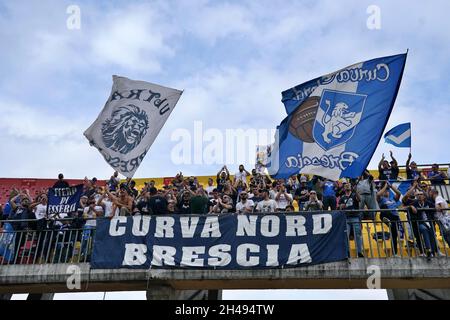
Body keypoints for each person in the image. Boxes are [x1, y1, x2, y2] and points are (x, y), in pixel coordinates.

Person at [410, 191, 439, 260]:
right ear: (416, 196)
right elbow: (404, 206)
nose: (419, 196)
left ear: (424, 196)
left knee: (432, 235)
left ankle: (432, 252)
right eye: (418, 194)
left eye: (421, 194)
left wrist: (437, 205)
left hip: (429, 222)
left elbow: (434, 206)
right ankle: (428, 250)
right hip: (420, 223)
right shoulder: (414, 203)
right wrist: (411, 206)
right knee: (424, 229)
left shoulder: (427, 203)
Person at [377, 181, 402, 256]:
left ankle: (395, 253)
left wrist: (391, 187)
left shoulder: (393, 199)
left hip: (394, 218)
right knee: (384, 209)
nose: (386, 192)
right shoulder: (381, 199)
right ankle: (387, 221)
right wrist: (385, 186)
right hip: (385, 214)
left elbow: (399, 194)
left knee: (394, 236)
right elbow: (378, 194)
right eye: (385, 190)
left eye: (387, 191)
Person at [339, 182, 363, 257]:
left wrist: (355, 191)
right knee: (346, 236)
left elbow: (360, 199)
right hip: (346, 218)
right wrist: (341, 206)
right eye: (345, 186)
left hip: (355, 217)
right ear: (344, 188)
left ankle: (359, 252)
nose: (347, 186)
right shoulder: (342, 198)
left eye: (348, 185)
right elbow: (340, 207)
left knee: (358, 235)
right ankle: (347, 252)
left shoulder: (354, 195)